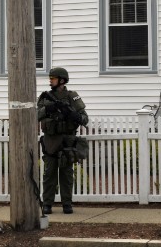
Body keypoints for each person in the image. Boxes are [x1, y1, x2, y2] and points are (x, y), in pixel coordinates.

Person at [37, 67, 89, 215]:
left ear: (62, 80)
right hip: (51, 140)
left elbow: (85, 118)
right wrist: (49, 109)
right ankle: (47, 203)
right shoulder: (45, 97)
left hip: (68, 140)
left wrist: (74, 116)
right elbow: (35, 115)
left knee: (66, 173)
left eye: (53, 78)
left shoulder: (72, 96)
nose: (50, 81)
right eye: (50, 78)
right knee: (49, 173)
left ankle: (67, 203)